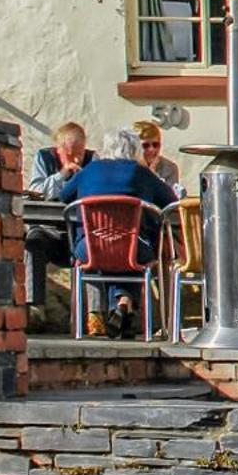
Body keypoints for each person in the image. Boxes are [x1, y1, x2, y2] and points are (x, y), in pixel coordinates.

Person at [58, 128, 178, 337]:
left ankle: (122, 305)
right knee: (126, 247)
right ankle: (124, 301)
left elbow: (63, 195)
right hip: (133, 248)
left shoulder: (90, 170)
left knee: (111, 248)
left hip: (89, 247)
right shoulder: (142, 173)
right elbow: (170, 200)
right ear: (134, 150)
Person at [24, 122, 94, 319]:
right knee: (33, 242)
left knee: (96, 246)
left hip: (81, 231)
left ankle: (93, 315)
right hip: (51, 231)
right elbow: (36, 191)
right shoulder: (44, 158)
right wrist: (62, 175)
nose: (76, 159)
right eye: (70, 155)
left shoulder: (92, 160)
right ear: (58, 150)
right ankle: (35, 309)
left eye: (79, 153)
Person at [135, 119, 181, 190]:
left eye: (155, 145)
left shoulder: (170, 168)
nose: (151, 149)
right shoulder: (126, 167)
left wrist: (151, 174)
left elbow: (169, 198)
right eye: (146, 145)